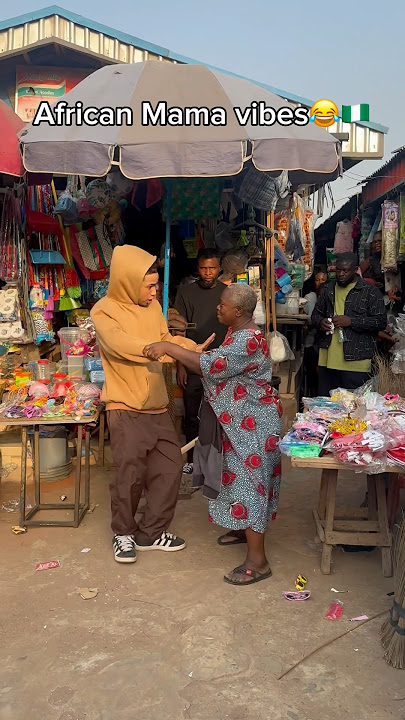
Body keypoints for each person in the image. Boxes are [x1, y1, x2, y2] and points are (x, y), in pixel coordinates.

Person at [144, 284, 283, 586]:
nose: (217, 308)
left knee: (252, 487)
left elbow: (209, 365)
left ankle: (257, 562)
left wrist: (169, 347)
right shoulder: (238, 333)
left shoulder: (246, 340)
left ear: (240, 312)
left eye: (222, 305)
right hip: (241, 424)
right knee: (238, 481)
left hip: (254, 428)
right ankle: (241, 527)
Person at [91, 245, 213, 564]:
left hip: (158, 407)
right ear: (129, 281)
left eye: (156, 285)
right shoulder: (103, 311)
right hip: (125, 406)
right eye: (149, 285)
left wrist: (190, 348)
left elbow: (167, 338)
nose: (154, 291)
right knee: (129, 474)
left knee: (170, 467)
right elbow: (120, 346)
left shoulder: (152, 306)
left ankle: (151, 532)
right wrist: (159, 348)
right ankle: (123, 533)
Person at [174, 248, 227, 473]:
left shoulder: (228, 293)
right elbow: (177, 331)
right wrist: (181, 365)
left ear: (218, 268)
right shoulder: (186, 292)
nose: (207, 273)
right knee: (192, 412)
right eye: (203, 268)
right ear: (198, 268)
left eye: (212, 268)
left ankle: (220, 461)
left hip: (222, 364)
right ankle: (192, 461)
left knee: (222, 414)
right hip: (193, 362)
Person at [311, 252, 387, 396]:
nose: (341, 274)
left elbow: (380, 321)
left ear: (356, 269)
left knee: (354, 409)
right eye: (338, 270)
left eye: (345, 270)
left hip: (356, 362)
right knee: (325, 409)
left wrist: (351, 321)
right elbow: (315, 315)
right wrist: (321, 322)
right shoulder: (328, 289)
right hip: (327, 360)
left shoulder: (370, 292)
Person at [303, 267, 328, 397]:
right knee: (312, 372)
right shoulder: (310, 298)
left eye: (323, 280)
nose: (320, 282)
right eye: (318, 280)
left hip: (323, 344)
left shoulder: (329, 297)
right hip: (311, 343)